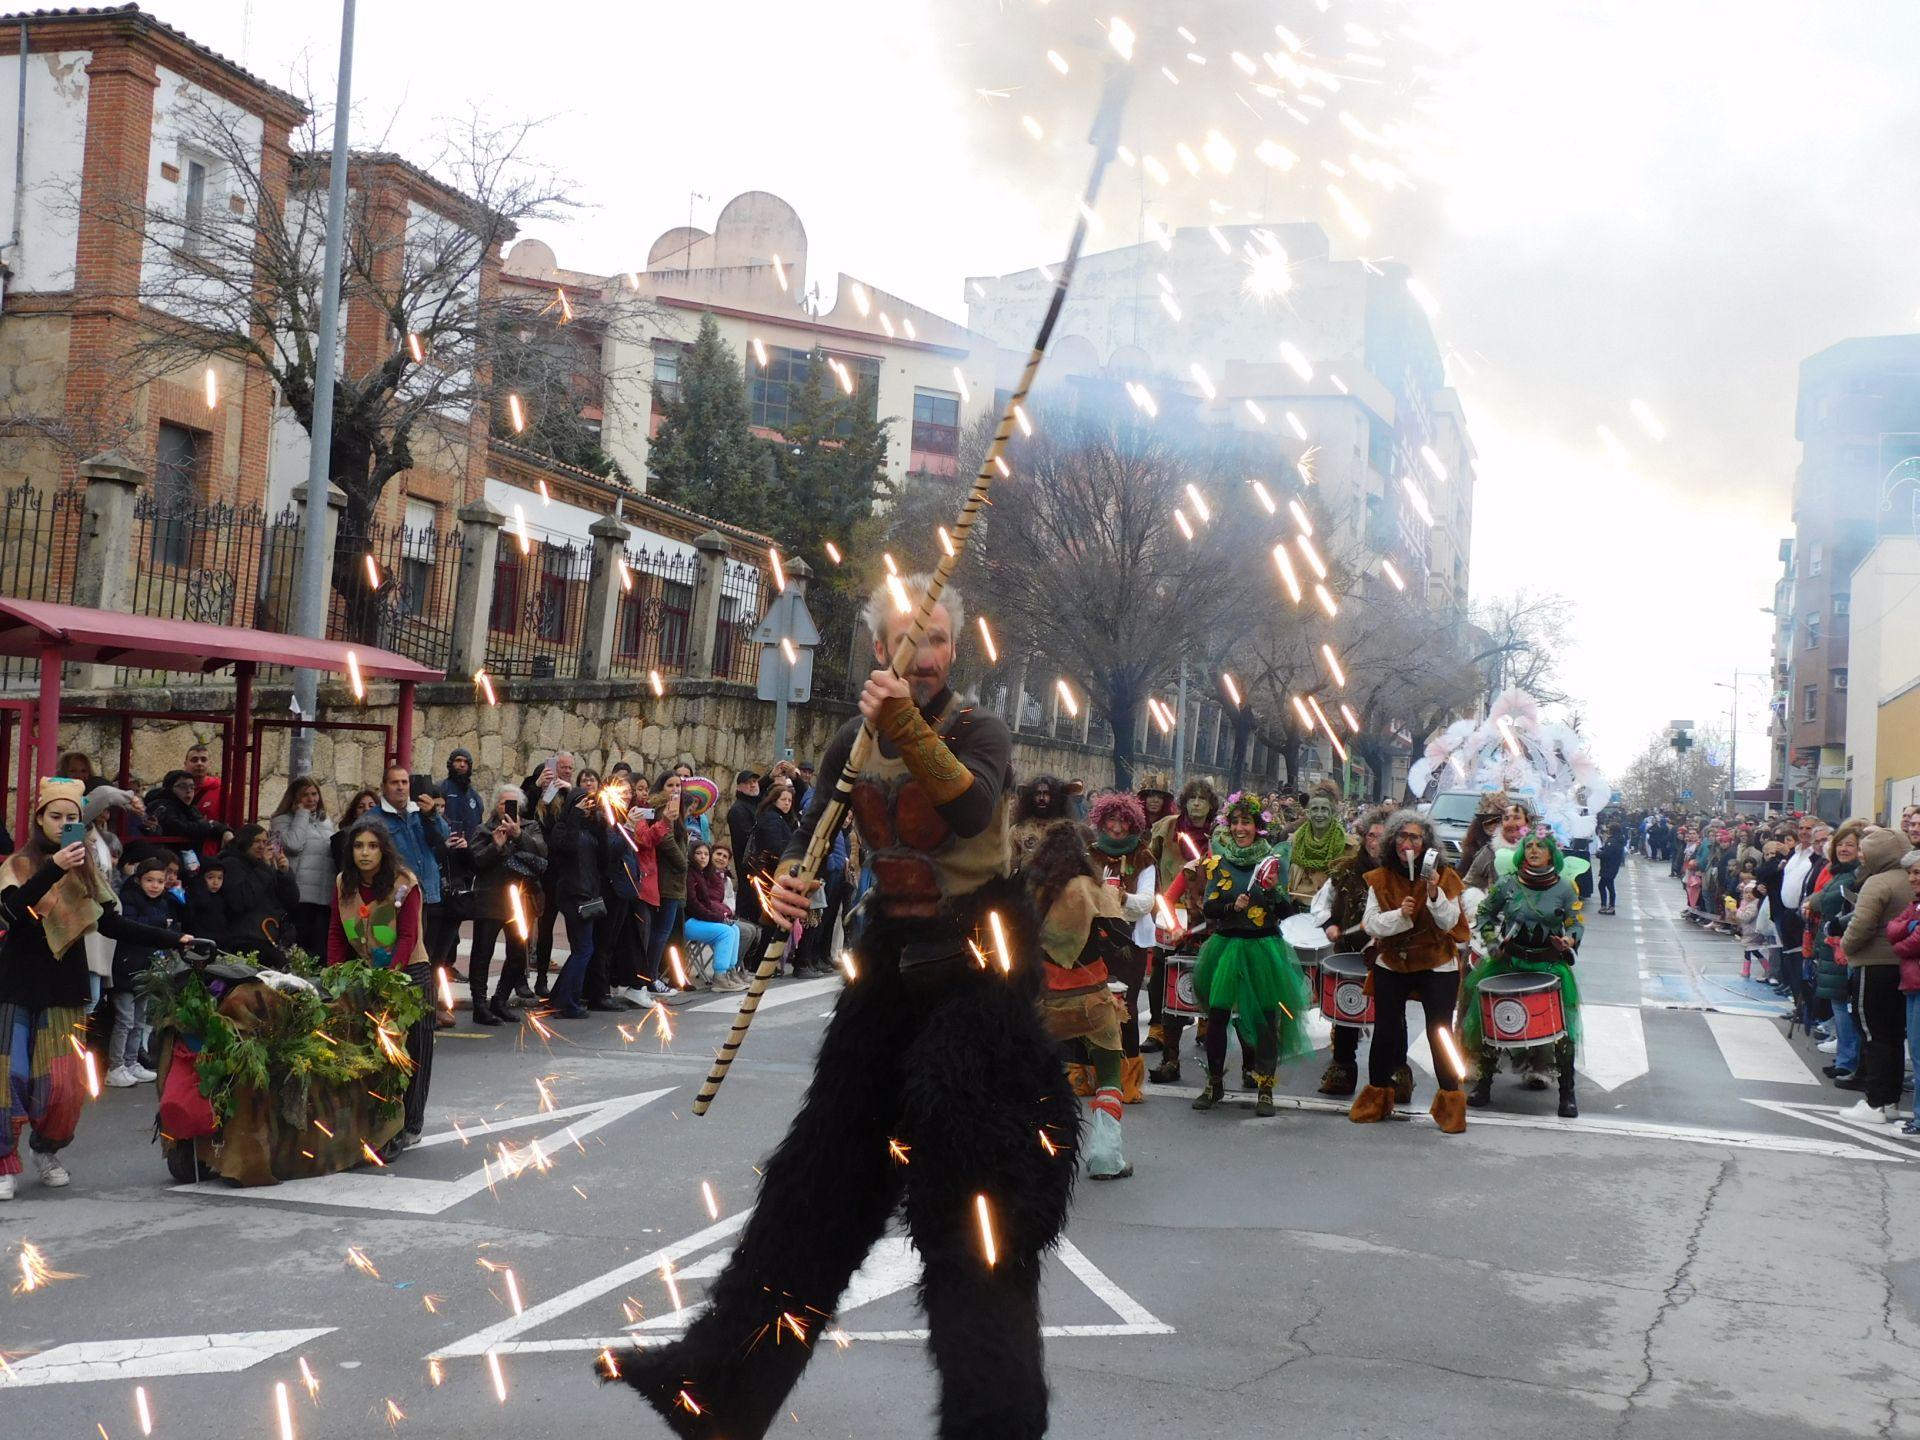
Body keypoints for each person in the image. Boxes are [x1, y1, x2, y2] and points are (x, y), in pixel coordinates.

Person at [613, 574, 1076, 1440]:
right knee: (816, 1187)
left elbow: (970, 801)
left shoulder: (981, 728)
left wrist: (899, 720)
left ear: (954, 647)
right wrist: (782, 884)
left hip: (980, 983)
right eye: (905, 635)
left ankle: (996, 1422)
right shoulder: (846, 741)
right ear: (876, 646)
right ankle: (718, 1386)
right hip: (886, 978)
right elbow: (810, 832)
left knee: (974, 1216)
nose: (921, 653)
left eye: (935, 637)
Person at [1, 778, 195, 1200]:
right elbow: (11, 912)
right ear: (39, 819)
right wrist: (54, 867)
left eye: (72, 818)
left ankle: (47, 1151)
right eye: (56, 817)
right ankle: (2, 1162)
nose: (64, 824)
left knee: (62, 1088)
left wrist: (174, 938)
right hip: (14, 986)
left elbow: (113, 923)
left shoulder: (87, 869)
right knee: (9, 1078)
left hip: (66, 988)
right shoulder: (19, 864)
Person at [1181, 794, 1313, 1115]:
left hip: (1263, 946)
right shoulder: (1218, 862)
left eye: (1247, 822)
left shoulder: (1272, 861)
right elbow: (1210, 906)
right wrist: (1231, 906)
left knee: (1267, 1019)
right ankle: (1214, 1082)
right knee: (1217, 1017)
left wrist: (1269, 891)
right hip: (1226, 946)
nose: (1241, 828)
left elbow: (1286, 911)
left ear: (1258, 827)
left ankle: (1265, 1087)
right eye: (1236, 822)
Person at [1349, 809, 1471, 1135]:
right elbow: (1371, 923)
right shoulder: (1382, 878)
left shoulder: (1444, 877)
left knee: (1440, 1032)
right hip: (1393, 961)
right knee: (1386, 1030)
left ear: (1426, 843)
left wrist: (1433, 895)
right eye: (1402, 836)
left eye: (1415, 837)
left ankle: (1451, 1104)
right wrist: (1399, 917)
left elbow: (1450, 923)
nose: (1408, 842)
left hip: (1437, 963)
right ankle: (1377, 1097)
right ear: (1393, 841)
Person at [1026, 818, 1134, 1178]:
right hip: (1093, 1003)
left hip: (1044, 1004)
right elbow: (1122, 936)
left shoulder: (1030, 887)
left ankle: (1041, 1150)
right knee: (1108, 1077)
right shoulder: (1091, 887)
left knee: (1041, 1077)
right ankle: (1105, 1156)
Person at [326, 817, 434, 1155]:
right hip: (367, 974)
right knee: (375, 1052)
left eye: (372, 846)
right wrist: (334, 976)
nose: (365, 853)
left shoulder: (404, 883)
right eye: (358, 846)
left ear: (383, 850)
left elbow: (407, 936)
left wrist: (392, 976)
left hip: (409, 975)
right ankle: (378, 1120)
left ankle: (411, 1123)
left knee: (412, 1054)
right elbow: (336, 934)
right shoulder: (344, 883)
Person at [1464, 830, 1586, 1118]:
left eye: (1540, 846)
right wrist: (1492, 942)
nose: (1533, 850)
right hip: (1510, 963)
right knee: (1491, 1022)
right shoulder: (1507, 884)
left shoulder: (1565, 888)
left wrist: (1568, 940)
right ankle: (1484, 1084)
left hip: (1549, 967)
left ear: (1551, 854)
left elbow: (1576, 923)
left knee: (1563, 1031)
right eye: (1528, 846)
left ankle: (1567, 1093)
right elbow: (1485, 914)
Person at [1308, 805, 1392, 1097]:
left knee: (1390, 1020)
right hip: (1349, 954)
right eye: (1370, 835)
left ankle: (1393, 1076)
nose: (1374, 842)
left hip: (1390, 959)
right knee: (1346, 1014)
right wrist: (1330, 924)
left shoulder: (1402, 873)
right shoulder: (1345, 870)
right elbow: (1319, 904)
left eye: (1381, 836)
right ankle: (1342, 1071)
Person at [1145, 777, 1221, 1083]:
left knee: (1208, 970)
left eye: (1203, 799)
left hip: (1209, 914)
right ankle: (1158, 1029)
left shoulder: (1221, 832)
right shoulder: (1165, 827)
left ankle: (1205, 1024)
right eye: (1192, 799)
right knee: (1163, 972)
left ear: (1210, 804)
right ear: (1184, 802)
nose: (1197, 804)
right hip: (1171, 909)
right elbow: (1149, 862)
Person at [1084, 791, 1157, 1103]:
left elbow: (1147, 902)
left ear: (1133, 824)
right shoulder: (1090, 853)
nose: (1116, 826)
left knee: (1123, 1009)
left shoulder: (1144, 857)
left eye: (1123, 820)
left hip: (1129, 943)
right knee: (1089, 1007)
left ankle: (1126, 1079)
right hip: (1092, 941)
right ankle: (1087, 1074)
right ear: (1102, 820)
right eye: (1111, 819)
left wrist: (1121, 898)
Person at [1837, 826, 1913, 1124]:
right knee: (1893, 1036)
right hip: (1901, 966)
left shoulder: (1878, 882)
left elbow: (1861, 925)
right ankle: (1890, 1100)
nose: (1861, 857)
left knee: (1873, 1034)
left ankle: (1876, 1103)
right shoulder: (1909, 879)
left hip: (1873, 965)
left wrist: (1845, 945)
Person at [465, 786, 547, 1026]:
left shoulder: (530, 827)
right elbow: (476, 862)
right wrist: (496, 845)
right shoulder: (484, 830)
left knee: (517, 954)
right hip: (490, 900)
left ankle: (499, 1000)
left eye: (512, 804)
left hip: (519, 902)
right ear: (495, 806)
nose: (506, 808)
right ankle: (479, 1004)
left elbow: (542, 854)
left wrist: (519, 835)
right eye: (503, 803)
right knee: (482, 954)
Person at [106, 857, 180, 1087]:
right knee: (125, 1020)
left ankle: (131, 1062)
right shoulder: (129, 898)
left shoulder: (165, 902)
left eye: (159, 881)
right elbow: (131, 925)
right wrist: (160, 924)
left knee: (139, 1019)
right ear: (139, 880)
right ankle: (115, 1066)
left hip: (147, 968)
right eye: (149, 880)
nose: (155, 886)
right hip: (127, 967)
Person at [546, 769, 608, 1019]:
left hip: (590, 894)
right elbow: (565, 848)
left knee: (582, 949)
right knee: (583, 949)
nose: (587, 807)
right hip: (573, 895)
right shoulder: (563, 828)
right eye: (582, 802)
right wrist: (575, 816)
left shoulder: (589, 830)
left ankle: (559, 996)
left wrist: (600, 825)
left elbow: (604, 858)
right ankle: (566, 1002)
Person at [1811, 822, 1866, 1089]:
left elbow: (1823, 901)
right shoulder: (1837, 872)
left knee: (1844, 1006)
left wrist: (1813, 901)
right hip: (1830, 943)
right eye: (1841, 844)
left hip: (1841, 944)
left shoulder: (1854, 875)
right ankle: (1844, 1058)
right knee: (1838, 1004)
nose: (1844, 849)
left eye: (1850, 845)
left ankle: (1848, 1060)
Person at [522, 752, 576, 997]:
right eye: (561, 766)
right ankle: (522, 977)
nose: (565, 771)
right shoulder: (534, 789)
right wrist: (538, 785)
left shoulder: (569, 795)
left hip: (558, 873)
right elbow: (524, 811)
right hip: (533, 872)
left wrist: (571, 791)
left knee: (548, 929)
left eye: (569, 767)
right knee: (523, 928)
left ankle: (543, 978)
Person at [269, 776, 337, 957]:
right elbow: (293, 844)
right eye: (305, 795)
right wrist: (301, 815)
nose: (311, 799)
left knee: (320, 951)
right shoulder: (281, 820)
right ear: (295, 798)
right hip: (300, 897)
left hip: (323, 897)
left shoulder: (325, 821)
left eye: (314, 794)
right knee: (299, 950)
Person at [215, 824, 300, 964]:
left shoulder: (264, 867)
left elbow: (291, 901)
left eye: (265, 842)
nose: (262, 846)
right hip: (246, 940)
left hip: (271, 938)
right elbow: (242, 900)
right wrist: (264, 868)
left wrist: (284, 873)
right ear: (245, 841)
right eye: (257, 841)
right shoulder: (231, 864)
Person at [1884, 852, 1920, 1134]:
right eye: (1911, 873)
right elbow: (1893, 928)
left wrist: (1904, 936)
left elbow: (1908, 944)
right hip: (1911, 982)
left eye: (1917, 873)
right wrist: (1908, 927)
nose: (1912, 878)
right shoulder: (1914, 906)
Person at [644, 773, 691, 990]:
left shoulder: (677, 812)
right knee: (660, 933)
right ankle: (650, 977)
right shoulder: (663, 812)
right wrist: (683, 863)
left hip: (674, 883)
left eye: (678, 785)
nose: (674, 789)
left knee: (664, 933)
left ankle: (654, 975)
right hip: (666, 882)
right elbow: (666, 840)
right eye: (670, 785)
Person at [685, 840, 748, 992]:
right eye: (698, 853)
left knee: (734, 929)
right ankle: (719, 977)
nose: (703, 857)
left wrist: (721, 916)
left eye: (706, 854)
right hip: (688, 921)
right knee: (725, 932)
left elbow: (709, 903)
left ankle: (730, 972)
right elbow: (694, 906)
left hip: (700, 919)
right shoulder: (690, 874)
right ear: (692, 855)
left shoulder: (703, 874)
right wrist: (718, 918)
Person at [1283, 780, 1354, 913]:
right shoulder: (1294, 841)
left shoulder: (1349, 846)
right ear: (1308, 813)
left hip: (1332, 916)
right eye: (1315, 809)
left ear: (1332, 813)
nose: (1319, 814)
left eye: (1324, 809)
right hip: (1297, 914)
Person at [144, 768, 229, 868]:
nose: (188, 791)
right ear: (169, 789)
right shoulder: (161, 804)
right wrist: (207, 826)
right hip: (169, 862)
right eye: (182, 786)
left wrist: (225, 831)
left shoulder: (189, 807)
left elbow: (201, 822)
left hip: (188, 860)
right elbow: (177, 827)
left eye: (192, 787)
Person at [331, 788, 382, 871]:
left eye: (371, 806)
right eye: (361, 807)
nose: (366, 809)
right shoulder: (343, 837)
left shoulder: (386, 834)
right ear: (354, 813)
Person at [184, 742, 224, 836]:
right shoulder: (175, 789)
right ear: (186, 764)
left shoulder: (221, 790)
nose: (199, 763)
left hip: (211, 845)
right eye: (194, 760)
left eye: (203, 759)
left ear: (210, 764)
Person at [726, 769, 761, 867]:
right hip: (749, 864)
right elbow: (746, 840)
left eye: (754, 781)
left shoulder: (758, 805)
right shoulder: (738, 810)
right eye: (747, 783)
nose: (753, 785)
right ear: (739, 788)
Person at [1596, 823, 1627, 915]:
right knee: (1607, 885)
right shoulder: (1618, 840)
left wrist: (1598, 854)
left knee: (1605, 885)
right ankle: (1608, 905)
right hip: (1613, 866)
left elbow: (1606, 854)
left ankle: (1608, 906)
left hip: (1608, 866)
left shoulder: (1612, 841)